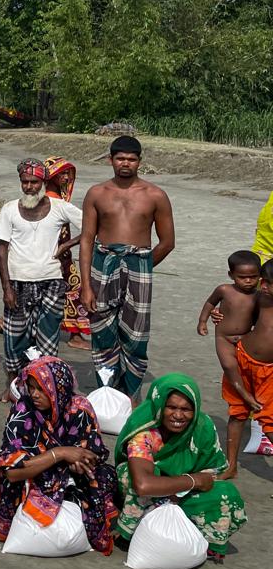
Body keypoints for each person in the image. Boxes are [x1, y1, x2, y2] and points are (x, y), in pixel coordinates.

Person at [0, 355, 119, 554]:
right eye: (31, 388)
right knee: (7, 477)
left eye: (41, 388)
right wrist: (60, 454)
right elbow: (12, 472)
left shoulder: (80, 409)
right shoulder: (23, 411)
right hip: (34, 475)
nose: (34, 394)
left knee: (103, 476)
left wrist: (78, 464)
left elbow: (92, 455)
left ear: (60, 387)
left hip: (72, 479)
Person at [79, 135, 175, 396]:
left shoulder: (155, 195)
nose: (125, 163)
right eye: (120, 158)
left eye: (131, 159)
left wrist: (141, 267)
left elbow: (167, 242)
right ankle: (106, 393)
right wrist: (86, 285)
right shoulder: (97, 193)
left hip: (139, 264)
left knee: (136, 335)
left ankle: (131, 394)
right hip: (103, 264)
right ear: (110, 160)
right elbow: (87, 239)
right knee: (101, 331)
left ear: (139, 162)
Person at [115, 373, 246, 562]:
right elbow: (143, 485)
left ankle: (203, 541)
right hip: (150, 493)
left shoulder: (203, 427)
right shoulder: (144, 431)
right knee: (129, 475)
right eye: (171, 407)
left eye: (186, 409)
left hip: (183, 493)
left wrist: (182, 488)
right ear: (160, 405)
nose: (178, 415)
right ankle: (131, 531)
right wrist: (191, 481)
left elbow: (212, 473)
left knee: (226, 493)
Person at [0, 158, 83, 397]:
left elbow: (91, 226)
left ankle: (43, 387)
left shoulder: (59, 207)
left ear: (43, 182)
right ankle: (13, 386)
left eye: (34, 182)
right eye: (25, 182)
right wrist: (6, 288)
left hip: (51, 282)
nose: (29, 187)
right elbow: (1, 248)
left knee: (47, 338)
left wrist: (67, 245)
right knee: (15, 337)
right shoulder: (9, 209)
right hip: (18, 282)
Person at [197, 250, 263, 452]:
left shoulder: (259, 296)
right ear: (231, 275)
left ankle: (247, 397)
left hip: (245, 338)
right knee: (228, 365)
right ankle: (244, 395)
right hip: (224, 338)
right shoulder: (224, 290)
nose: (248, 281)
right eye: (242, 277)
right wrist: (203, 321)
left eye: (253, 277)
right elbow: (210, 303)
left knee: (245, 370)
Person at [219, 259, 273, 473]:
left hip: (268, 372)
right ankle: (231, 466)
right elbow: (237, 315)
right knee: (238, 412)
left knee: (268, 420)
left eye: (269, 283)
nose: (263, 287)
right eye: (263, 282)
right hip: (243, 359)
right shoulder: (261, 299)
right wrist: (216, 316)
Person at [43, 156, 91, 349]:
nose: (65, 177)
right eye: (60, 173)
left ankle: (74, 334)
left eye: (66, 173)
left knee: (73, 291)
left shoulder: (60, 203)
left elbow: (90, 228)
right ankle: (74, 335)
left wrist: (67, 245)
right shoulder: (54, 203)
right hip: (50, 258)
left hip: (62, 258)